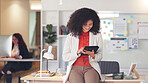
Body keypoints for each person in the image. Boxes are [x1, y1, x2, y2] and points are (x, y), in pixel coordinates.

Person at [62, 8, 103, 83]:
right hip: (75, 68)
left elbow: (100, 56)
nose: (88, 27)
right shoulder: (71, 36)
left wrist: (93, 55)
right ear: (79, 23)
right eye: (85, 24)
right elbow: (65, 57)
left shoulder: (97, 36)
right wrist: (77, 52)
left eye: (90, 24)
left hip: (91, 67)